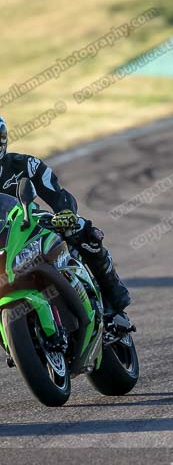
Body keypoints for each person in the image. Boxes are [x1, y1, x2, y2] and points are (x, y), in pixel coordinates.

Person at [0, 116, 133, 332]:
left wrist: (65, 213)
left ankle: (114, 301)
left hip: (28, 225)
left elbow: (56, 193)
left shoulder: (23, 165)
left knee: (83, 230)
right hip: (2, 242)